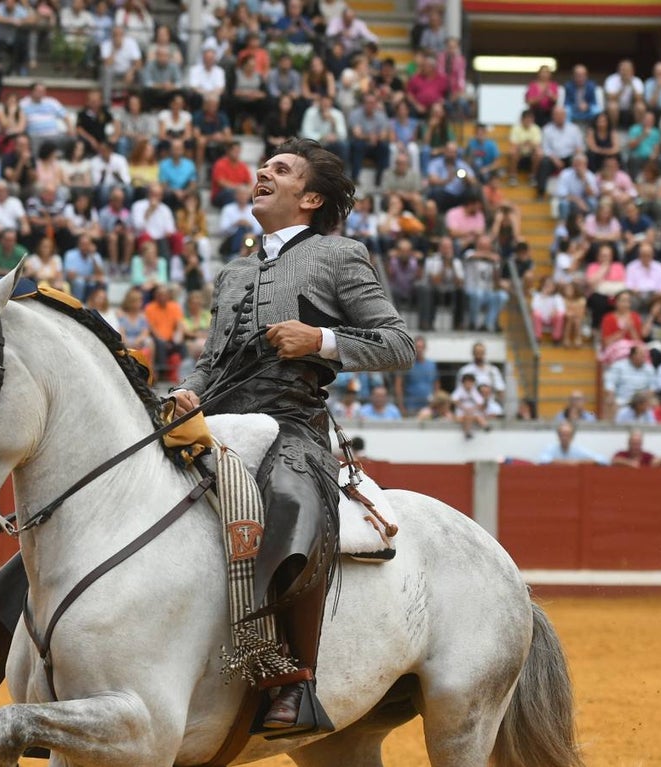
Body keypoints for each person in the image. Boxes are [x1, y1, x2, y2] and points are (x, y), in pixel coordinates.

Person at [171, 138, 413, 730]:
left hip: (291, 423)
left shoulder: (339, 255)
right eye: (263, 167)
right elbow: (211, 363)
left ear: (310, 198)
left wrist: (320, 340)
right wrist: (185, 393)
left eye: (280, 169)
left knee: (290, 500)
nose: (262, 173)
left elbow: (398, 344)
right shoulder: (233, 272)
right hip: (216, 419)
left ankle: (293, 680)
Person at [537, 422, 606, 465]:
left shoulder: (578, 450)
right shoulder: (551, 448)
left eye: (567, 435)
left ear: (572, 437)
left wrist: (578, 462)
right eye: (562, 435)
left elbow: (603, 460)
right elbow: (542, 460)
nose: (564, 438)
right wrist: (568, 463)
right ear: (558, 436)